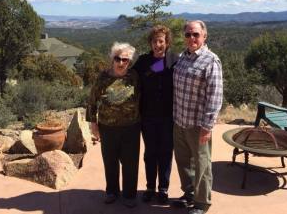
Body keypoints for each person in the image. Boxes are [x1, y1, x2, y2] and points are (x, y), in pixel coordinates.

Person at [172, 20, 223, 214]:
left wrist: (207, 126)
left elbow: (215, 96)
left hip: (198, 124)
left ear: (204, 36)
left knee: (202, 164)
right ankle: (189, 194)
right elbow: (159, 69)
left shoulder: (211, 61)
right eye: (188, 35)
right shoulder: (181, 58)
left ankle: (202, 203)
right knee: (184, 161)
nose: (192, 38)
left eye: (196, 34)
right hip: (179, 121)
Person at [85, 42, 140, 208]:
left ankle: (129, 195)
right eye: (118, 58)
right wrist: (93, 124)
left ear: (129, 62)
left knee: (130, 163)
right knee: (110, 161)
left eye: (125, 59)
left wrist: (172, 59)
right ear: (112, 59)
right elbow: (91, 101)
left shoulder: (135, 76)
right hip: (107, 127)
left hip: (131, 127)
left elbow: (158, 69)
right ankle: (112, 191)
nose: (121, 62)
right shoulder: (103, 78)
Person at [133, 25, 178, 204]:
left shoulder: (175, 59)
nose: (157, 44)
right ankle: (150, 187)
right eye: (154, 41)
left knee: (166, 153)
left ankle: (163, 189)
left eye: (161, 41)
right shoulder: (143, 61)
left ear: (167, 43)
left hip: (169, 117)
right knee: (150, 153)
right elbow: (130, 77)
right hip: (148, 116)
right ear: (150, 43)